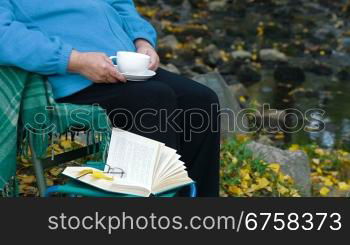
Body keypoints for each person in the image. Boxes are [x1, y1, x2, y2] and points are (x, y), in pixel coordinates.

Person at [0, 0, 220, 197]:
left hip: (124, 65)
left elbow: (121, 4)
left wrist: (143, 41)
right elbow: (4, 33)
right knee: (152, 98)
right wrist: (73, 60)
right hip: (71, 74)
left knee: (201, 99)